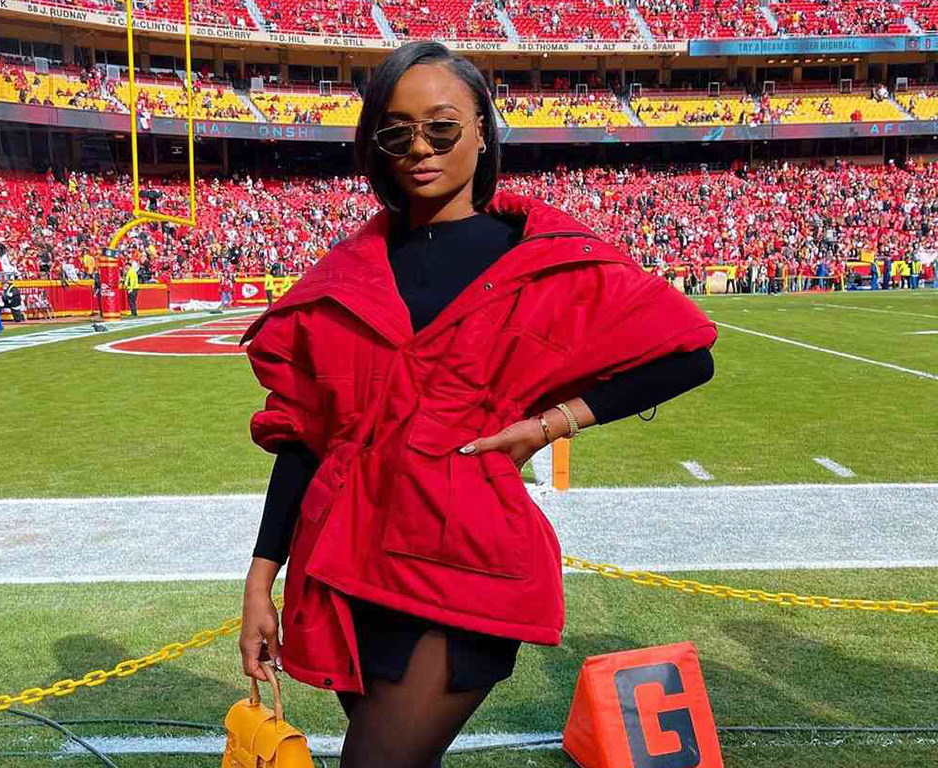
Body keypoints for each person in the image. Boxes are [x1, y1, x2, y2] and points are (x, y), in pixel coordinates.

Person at [237, 42, 717, 768]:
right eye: (396, 132)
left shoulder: (538, 254)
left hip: (464, 560)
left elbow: (688, 353)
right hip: (344, 559)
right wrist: (258, 584)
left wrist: (552, 423)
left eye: (442, 126)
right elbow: (305, 437)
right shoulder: (344, 273)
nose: (419, 149)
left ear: (484, 130)